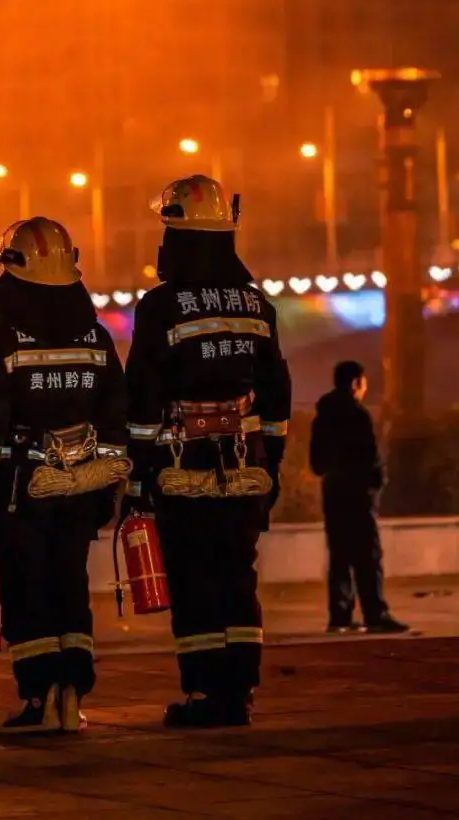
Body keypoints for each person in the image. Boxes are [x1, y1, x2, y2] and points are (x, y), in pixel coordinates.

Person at [125, 174, 292, 728]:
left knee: (195, 578)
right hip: (247, 463)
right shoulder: (257, 304)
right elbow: (277, 388)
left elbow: (143, 396)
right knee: (238, 575)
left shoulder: (160, 307)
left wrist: (138, 473)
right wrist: (276, 459)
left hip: (181, 464)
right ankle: (239, 688)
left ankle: (202, 694)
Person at [0, 216, 129, 737]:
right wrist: (104, 482)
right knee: (70, 585)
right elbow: (114, 416)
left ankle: (39, 698)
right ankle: (72, 696)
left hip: (21, 486)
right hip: (82, 483)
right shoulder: (96, 337)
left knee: (29, 587)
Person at [309, 360, 408, 636]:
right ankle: (375, 614)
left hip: (333, 493)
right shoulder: (357, 416)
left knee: (340, 556)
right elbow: (371, 459)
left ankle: (339, 616)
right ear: (355, 383)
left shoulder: (322, 418)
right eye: (363, 384)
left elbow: (316, 462)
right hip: (357, 496)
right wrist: (375, 484)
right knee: (368, 556)